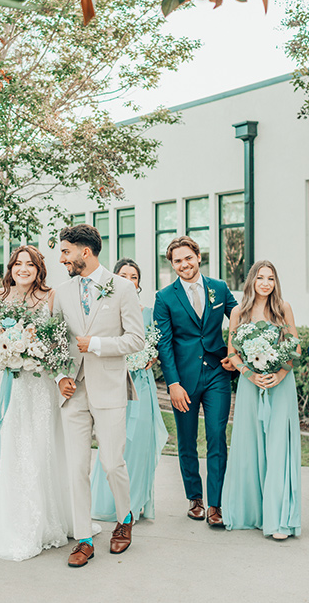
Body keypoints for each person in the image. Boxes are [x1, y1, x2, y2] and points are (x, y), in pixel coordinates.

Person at [54, 225, 145, 567]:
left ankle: (124, 518)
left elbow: (135, 340)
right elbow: (56, 342)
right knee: (77, 467)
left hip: (108, 387)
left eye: (65, 252)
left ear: (85, 253)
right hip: (73, 392)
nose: (62, 258)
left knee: (111, 462)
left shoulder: (122, 288)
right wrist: (61, 375)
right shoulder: (62, 292)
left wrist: (97, 345)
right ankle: (84, 538)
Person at [0, 245, 70, 561]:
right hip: (5, 383)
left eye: (30, 264)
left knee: (37, 446)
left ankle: (42, 517)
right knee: (8, 444)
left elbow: (58, 342)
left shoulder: (51, 297)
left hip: (37, 385)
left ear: (39, 269)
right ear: (11, 268)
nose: (23, 269)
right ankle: (9, 514)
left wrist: (39, 359)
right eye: (18, 264)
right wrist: (5, 353)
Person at [153, 236, 237, 527]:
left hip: (217, 374)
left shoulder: (220, 288)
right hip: (184, 380)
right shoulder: (164, 297)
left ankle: (216, 504)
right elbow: (164, 344)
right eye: (177, 260)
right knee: (187, 440)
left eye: (188, 258)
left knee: (216, 437)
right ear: (172, 264)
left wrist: (235, 353)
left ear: (198, 257)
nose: (183, 264)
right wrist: (173, 384)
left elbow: (239, 318)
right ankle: (195, 498)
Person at [222, 261, 301, 540]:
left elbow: (296, 346)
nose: (266, 283)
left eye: (270, 278)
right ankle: (254, 513)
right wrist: (249, 374)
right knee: (251, 446)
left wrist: (279, 374)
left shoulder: (284, 309)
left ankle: (279, 520)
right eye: (260, 277)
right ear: (252, 281)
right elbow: (232, 353)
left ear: (275, 282)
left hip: (280, 386)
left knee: (279, 447)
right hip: (250, 386)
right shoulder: (238, 312)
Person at [91, 258, 168, 523]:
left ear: (138, 282)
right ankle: (110, 503)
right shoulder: (104, 309)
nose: (128, 279)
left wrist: (152, 355)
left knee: (140, 445)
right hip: (115, 383)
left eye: (133, 276)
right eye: (123, 274)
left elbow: (156, 342)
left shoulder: (149, 313)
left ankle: (136, 501)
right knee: (115, 445)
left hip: (143, 385)